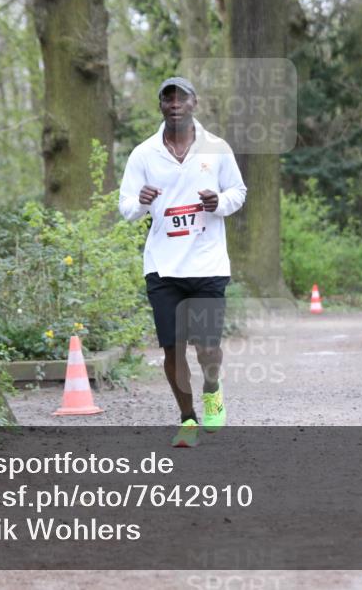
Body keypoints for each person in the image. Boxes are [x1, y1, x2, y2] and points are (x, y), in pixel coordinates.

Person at [118, 77, 247, 448]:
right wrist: (141, 202)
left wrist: (218, 203)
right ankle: (187, 419)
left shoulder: (216, 148)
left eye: (181, 98)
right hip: (163, 266)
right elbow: (126, 207)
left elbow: (238, 192)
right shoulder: (143, 154)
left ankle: (212, 389)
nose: (174, 104)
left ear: (195, 103)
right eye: (168, 99)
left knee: (207, 348)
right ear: (161, 105)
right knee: (172, 349)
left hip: (207, 263)